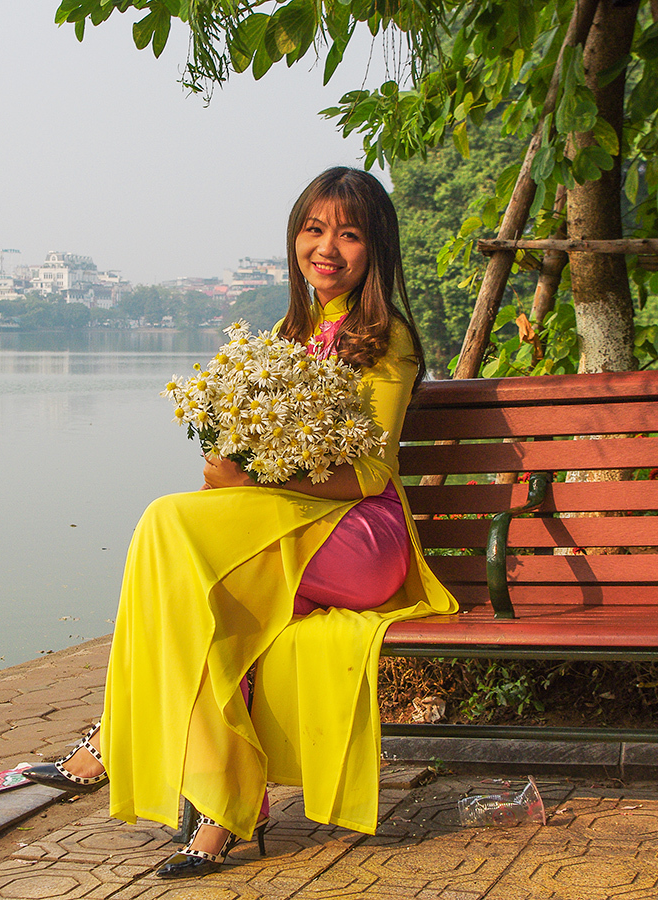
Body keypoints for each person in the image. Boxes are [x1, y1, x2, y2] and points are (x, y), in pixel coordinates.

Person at [24, 167, 458, 879]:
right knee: (200, 590)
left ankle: (115, 741)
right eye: (313, 229)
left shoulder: (386, 338)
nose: (326, 248)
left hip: (360, 537)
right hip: (292, 523)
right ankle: (225, 813)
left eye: (347, 234)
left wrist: (251, 477)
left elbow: (370, 475)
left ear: (374, 248)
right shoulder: (289, 334)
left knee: (171, 525)